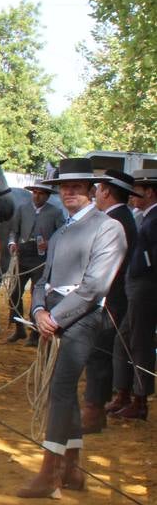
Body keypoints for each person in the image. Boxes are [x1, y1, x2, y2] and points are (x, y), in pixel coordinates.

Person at [19, 159, 126, 497]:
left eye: (77, 187)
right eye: (64, 187)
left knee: (60, 390)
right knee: (60, 389)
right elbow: (42, 279)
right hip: (53, 319)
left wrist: (56, 317)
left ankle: (50, 474)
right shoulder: (62, 229)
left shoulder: (108, 228)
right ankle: (73, 468)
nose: (69, 192)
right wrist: (37, 309)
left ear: (92, 191)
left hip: (84, 318)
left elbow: (95, 286)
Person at [81, 169, 138, 434]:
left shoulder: (115, 221)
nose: (96, 194)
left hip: (110, 297)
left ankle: (93, 411)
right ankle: (95, 406)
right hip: (112, 296)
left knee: (98, 353)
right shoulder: (121, 217)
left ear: (105, 191)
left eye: (99, 189)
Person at [107, 168, 157, 421]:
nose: (133, 194)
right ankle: (124, 394)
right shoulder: (145, 217)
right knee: (124, 341)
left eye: (138, 189)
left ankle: (140, 400)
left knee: (140, 344)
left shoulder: (155, 218)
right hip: (137, 286)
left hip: (146, 288)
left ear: (149, 191)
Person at [6, 182, 65, 345]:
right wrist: (12, 243)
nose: (37, 196)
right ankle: (19, 328)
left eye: (41, 194)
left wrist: (49, 243)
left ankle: (34, 333)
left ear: (47, 196)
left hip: (41, 259)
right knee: (14, 293)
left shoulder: (55, 212)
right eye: (35, 193)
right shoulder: (23, 209)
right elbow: (14, 231)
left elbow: (62, 234)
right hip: (23, 254)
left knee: (36, 295)